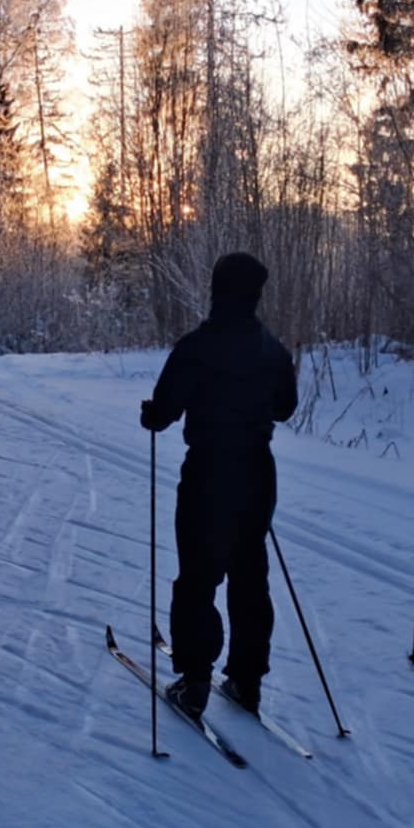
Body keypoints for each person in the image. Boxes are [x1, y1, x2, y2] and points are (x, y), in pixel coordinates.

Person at [139, 252, 298, 720]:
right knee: (250, 575)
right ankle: (247, 680)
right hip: (256, 473)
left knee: (199, 576)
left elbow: (164, 411)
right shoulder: (273, 348)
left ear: (215, 290)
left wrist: (152, 413)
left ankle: (196, 681)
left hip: (208, 472)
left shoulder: (197, 346)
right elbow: (285, 408)